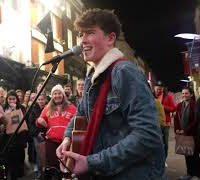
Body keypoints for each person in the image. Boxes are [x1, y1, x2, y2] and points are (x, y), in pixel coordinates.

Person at [56, 9, 165, 180]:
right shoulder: (92, 77)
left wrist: (93, 162)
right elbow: (81, 114)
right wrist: (67, 138)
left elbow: (148, 135)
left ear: (110, 38)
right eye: (80, 34)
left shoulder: (124, 72)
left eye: (90, 33)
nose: (82, 40)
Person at [37, 84, 76, 179]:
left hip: (67, 143)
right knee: (52, 169)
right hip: (51, 142)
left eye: (59, 93)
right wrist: (39, 121)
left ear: (63, 95)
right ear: (52, 95)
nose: (57, 95)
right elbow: (39, 121)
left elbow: (78, 121)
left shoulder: (72, 107)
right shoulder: (47, 108)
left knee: (66, 169)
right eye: (54, 93)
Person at [174, 87, 200, 180]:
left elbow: (196, 120)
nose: (184, 95)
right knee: (187, 154)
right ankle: (189, 173)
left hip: (193, 134)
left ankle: (196, 175)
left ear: (191, 94)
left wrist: (185, 130)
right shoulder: (179, 105)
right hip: (183, 135)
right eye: (183, 93)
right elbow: (176, 118)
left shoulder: (195, 105)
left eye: (186, 93)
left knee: (194, 155)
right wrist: (177, 129)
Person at [2, 90, 28, 180]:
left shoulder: (22, 108)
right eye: (10, 99)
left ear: (16, 99)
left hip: (18, 138)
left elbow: (21, 122)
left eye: (13, 99)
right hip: (7, 138)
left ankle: (16, 176)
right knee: (7, 159)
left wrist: (14, 111)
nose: (12, 101)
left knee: (17, 160)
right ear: (7, 99)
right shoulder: (3, 108)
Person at [154, 80, 176, 163]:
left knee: (165, 143)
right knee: (156, 142)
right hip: (154, 124)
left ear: (163, 89)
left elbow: (173, 108)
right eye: (157, 89)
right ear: (154, 88)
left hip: (166, 124)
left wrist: (162, 107)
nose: (159, 91)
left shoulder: (168, 97)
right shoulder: (150, 96)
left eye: (160, 89)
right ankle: (157, 160)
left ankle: (164, 160)